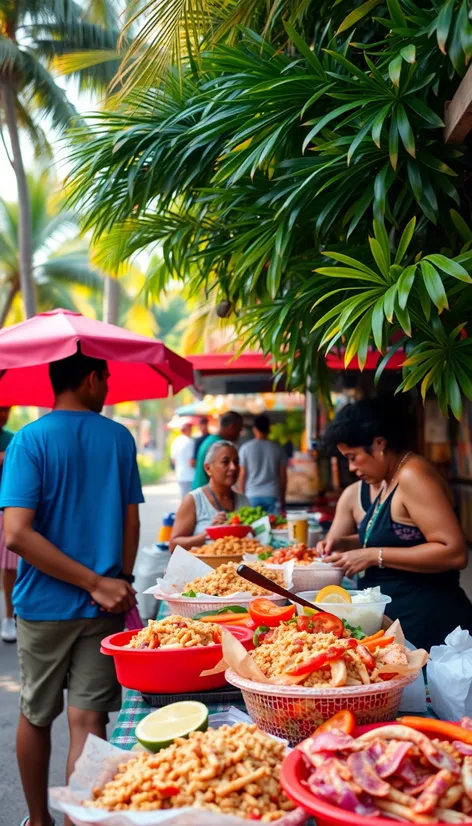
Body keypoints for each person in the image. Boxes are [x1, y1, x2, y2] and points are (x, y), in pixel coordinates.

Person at [1, 347, 144, 826]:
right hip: (101, 605)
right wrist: (110, 582)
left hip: (43, 605)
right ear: (89, 379)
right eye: (105, 379)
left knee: (36, 716)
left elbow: (17, 532)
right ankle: (76, 822)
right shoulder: (119, 439)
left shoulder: (28, 439)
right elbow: (130, 523)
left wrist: (98, 583)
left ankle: (39, 820)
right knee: (89, 721)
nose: (108, 389)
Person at [322, 396, 472, 651]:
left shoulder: (413, 475)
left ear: (379, 443)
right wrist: (346, 544)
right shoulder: (388, 478)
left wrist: (373, 555)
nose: (352, 468)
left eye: (353, 457)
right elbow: (406, 537)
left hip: (430, 624)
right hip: (406, 621)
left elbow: (454, 551)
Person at [170, 441, 250, 551]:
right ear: (208, 469)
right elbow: (173, 545)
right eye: (225, 462)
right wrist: (209, 534)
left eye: (236, 462)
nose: (233, 467)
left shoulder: (243, 501)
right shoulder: (194, 500)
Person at [316, 479, 381, 557]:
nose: (352, 468)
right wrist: (342, 542)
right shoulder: (353, 493)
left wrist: (369, 556)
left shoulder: (397, 491)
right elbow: (331, 550)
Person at [238, 414, 287, 513]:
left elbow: (242, 475)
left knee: (253, 526)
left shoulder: (245, 448)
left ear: (254, 429)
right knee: (274, 526)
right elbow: (283, 477)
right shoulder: (278, 449)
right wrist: (282, 499)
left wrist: (242, 497)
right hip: (272, 494)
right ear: (269, 428)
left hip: (251, 495)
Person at [192, 411, 243, 490]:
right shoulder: (219, 445)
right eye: (239, 430)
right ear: (231, 427)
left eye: (236, 462)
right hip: (207, 495)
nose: (233, 468)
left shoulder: (211, 440)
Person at [0, 406, 16, 642]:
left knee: (9, 564)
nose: (4, 414)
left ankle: (9, 617)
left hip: (6, 508)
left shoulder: (13, 439)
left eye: (7, 410)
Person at [170, 421, 195, 499]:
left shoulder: (176, 442)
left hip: (180, 474)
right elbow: (192, 461)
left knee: (183, 499)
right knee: (190, 500)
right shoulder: (190, 442)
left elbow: (173, 460)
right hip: (190, 475)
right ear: (187, 430)